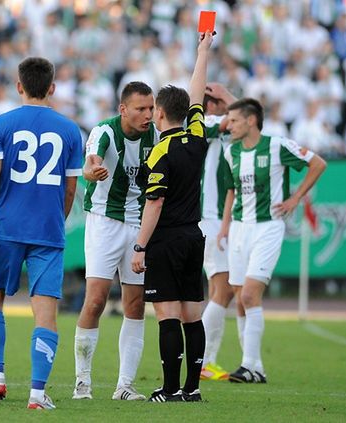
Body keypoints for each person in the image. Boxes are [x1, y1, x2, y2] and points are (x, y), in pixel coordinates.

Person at [0, 57, 82, 409]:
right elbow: (70, 190)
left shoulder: (1, 124)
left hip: (5, 227)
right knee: (45, 311)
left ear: (18, 86)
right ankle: (37, 394)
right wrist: (57, 218)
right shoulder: (70, 130)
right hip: (47, 230)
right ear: (52, 88)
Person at [130, 30, 213, 402]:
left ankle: (168, 387)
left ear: (159, 113)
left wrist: (139, 245)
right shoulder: (197, 138)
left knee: (166, 315)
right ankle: (192, 389)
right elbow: (197, 93)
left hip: (165, 239)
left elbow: (155, 203)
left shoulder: (159, 152)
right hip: (194, 236)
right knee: (193, 315)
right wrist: (203, 51)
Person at [218, 98, 327, 383]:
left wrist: (296, 198)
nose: (229, 126)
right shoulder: (231, 153)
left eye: (234, 121)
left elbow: (317, 163)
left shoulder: (278, 145)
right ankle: (256, 368)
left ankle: (248, 364)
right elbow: (232, 190)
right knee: (240, 299)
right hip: (240, 228)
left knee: (251, 294)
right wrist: (225, 226)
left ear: (251, 121)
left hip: (268, 227)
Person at [73, 80, 159, 401]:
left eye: (150, 108)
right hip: (104, 222)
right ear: (123, 110)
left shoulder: (157, 136)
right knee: (95, 300)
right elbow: (91, 160)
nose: (147, 114)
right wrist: (91, 170)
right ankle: (83, 383)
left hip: (139, 223)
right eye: (140, 109)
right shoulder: (105, 131)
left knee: (135, 303)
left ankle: (124, 385)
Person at [198, 83, 238, 382]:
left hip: (211, 219)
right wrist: (227, 95)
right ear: (211, 105)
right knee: (224, 289)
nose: (228, 110)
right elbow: (245, 117)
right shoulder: (206, 124)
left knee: (218, 290)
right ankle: (203, 360)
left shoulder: (213, 130)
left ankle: (206, 360)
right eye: (221, 103)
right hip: (208, 220)